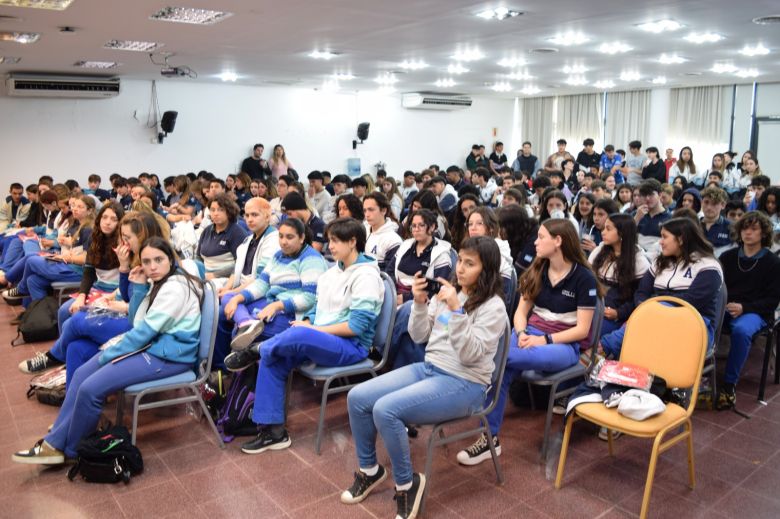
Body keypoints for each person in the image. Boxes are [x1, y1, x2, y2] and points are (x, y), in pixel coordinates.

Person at [342, 236, 504, 519]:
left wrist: (456, 310)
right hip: (430, 368)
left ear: (486, 269)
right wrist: (419, 304)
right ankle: (370, 470)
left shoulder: (493, 307)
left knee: (386, 410)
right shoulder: (449, 294)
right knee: (357, 397)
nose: (461, 269)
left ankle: (407, 484)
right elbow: (419, 336)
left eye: (470, 264)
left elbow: (469, 356)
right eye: (461, 261)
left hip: (465, 382)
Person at [12, 237, 203, 466]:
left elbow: (141, 333)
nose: (152, 267)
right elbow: (137, 321)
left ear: (170, 259)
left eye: (159, 260)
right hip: (154, 346)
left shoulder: (175, 288)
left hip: (169, 356)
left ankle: (72, 450)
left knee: (91, 389)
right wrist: (141, 287)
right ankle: (53, 444)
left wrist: (109, 354)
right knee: (82, 374)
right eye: (147, 261)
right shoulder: (159, 281)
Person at [223, 218, 384, 454]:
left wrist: (311, 330)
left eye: (336, 241)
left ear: (353, 242)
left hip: (351, 346)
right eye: (329, 240)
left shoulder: (366, 277)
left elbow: (356, 327)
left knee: (297, 334)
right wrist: (308, 322)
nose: (330, 246)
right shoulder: (332, 273)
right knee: (274, 358)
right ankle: (274, 433)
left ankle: (255, 349)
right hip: (322, 339)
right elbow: (315, 307)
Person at [456, 220, 600, 465]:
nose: (535, 241)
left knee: (499, 358)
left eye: (541, 237)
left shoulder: (583, 278)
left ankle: (481, 428)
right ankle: (489, 439)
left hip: (563, 346)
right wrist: (522, 333)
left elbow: (582, 330)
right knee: (503, 363)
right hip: (530, 334)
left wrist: (543, 339)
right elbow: (521, 312)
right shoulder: (538, 269)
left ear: (558, 241)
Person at [600, 217, 723, 360]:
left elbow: (692, 301)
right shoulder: (660, 263)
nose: (660, 242)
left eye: (665, 237)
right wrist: (648, 310)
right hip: (654, 320)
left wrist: (654, 307)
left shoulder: (708, 266)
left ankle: (603, 349)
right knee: (641, 332)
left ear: (681, 239)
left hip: (695, 326)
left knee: (643, 328)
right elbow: (641, 292)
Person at [222, 217, 329, 353]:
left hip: (292, 313)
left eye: (289, 237)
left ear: (301, 238)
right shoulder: (278, 255)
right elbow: (261, 284)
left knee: (239, 332)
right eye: (281, 236)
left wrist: (277, 306)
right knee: (229, 298)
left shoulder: (311, 259)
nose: (283, 242)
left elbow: (309, 298)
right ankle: (246, 322)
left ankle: (246, 328)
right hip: (271, 303)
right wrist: (237, 298)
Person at [717, 211, 780, 409]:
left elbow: (772, 300)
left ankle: (729, 384)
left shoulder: (773, 263)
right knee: (702, 321)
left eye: (754, 229)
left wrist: (745, 308)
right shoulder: (727, 257)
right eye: (745, 228)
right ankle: (696, 375)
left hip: (756, 311)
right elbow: (718, 287)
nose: (748, 233)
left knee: (742, 331)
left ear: (763, 234)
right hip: (727, 306)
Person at [5, 194, 95, 306]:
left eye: (80, 207)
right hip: (68, 263)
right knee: (33, 281)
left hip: (77, 271)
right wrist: (66, 245)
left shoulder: (89, 229)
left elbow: (86, 259)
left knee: (31, 260)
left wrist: (66, 256)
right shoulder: (78, 225)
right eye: (74, 206)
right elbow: (75, 247)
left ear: (90, 211)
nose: (75, 209)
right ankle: (36, 315)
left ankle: (19, 288)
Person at [589, 213, 651, 336]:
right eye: (604, 228)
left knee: (588, 332)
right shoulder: (599, 251)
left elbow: (639, 297)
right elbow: (588, 283)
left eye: (608, 229)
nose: (603, 232)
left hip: (613, 315)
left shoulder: (638, 261)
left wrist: (618, 313)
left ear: (622, 233)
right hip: (590, 307)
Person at [392, 209, 452, 304]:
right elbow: (390, 270)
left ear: (432, 227)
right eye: (414, 226)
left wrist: (405, 298)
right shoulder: (405, 245)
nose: (416, 229)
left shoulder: (442, 255)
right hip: (395, 294)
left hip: (420, 302)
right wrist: (391, 292)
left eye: (421, 225)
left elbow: (436, 288)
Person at [195, 194, 248, 281]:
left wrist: (215, 275)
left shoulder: (237, 233)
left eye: (220, 210)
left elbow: (241, 264)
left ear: (229, 211)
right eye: (212, 210)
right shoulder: (207, 231)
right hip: (205, 275)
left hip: (226, 279)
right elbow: (198, 257)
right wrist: (198, 271)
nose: (215, 213)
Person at [466, 207, 514, 279]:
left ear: (491, 227)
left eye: (479, 223)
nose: (473, 228)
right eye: (470, 224)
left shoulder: (499, 252)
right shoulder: (469, 248)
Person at [363, 192, 402, 274]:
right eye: (365, 210)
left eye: (371, 210)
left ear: (383, 210)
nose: (367, 215)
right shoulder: (362, 230)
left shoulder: (393, 240)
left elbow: (389, 275)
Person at [633, 179, 671, 256]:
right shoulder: (636, 214)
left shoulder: (669, 218)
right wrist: (636, 219)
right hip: (637, 258)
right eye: (644, 195)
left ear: (660, 195)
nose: (647, 198)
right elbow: (625, 237)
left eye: (651, 194)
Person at [498, 204, 538, 275]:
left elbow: (517, 271)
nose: (501, 230)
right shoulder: (518, 235)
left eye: (502, 227)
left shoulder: (534, 238)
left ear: (512, 227)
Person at [700, 186, 734, 255]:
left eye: (714, 203)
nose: (709, 207)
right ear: (701, 203)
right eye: (706, 202)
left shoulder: (731, 227)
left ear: (723, 205)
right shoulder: (693, 225)